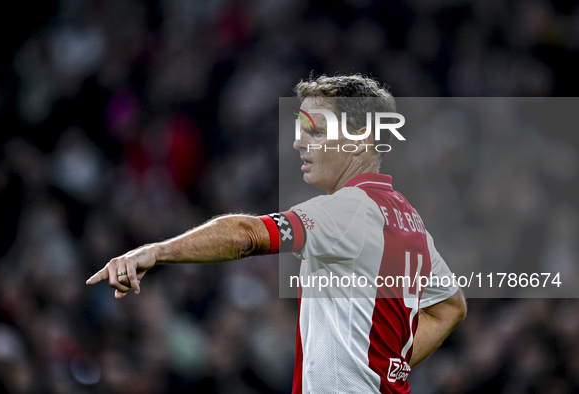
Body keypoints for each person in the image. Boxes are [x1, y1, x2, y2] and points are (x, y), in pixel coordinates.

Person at [87, 74, 466, 393]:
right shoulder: (407, 218)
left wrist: (158, 251)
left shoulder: (348, 210)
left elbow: (245, 235)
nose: (300, 142)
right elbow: (450, 308)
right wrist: (387, 366)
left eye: (315, 130)